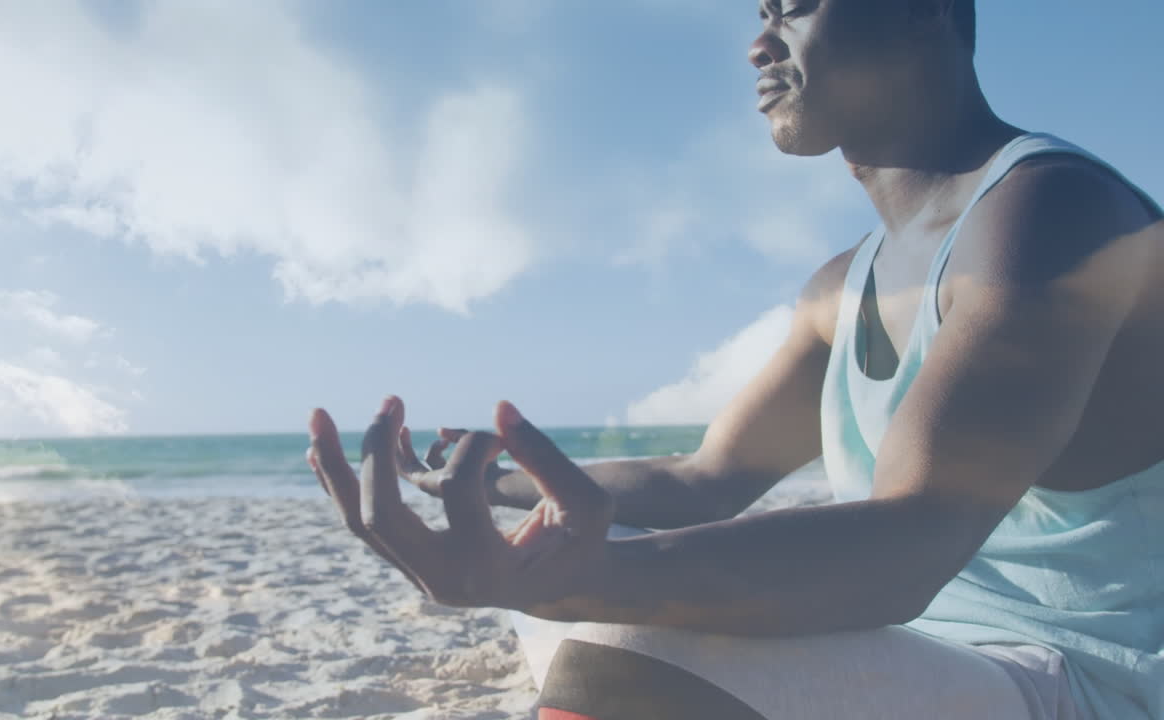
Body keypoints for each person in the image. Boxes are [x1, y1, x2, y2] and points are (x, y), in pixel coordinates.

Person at [307, 0, 1164, 718]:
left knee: (615, 628)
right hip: (919, 653)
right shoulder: (840, 285)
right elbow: (702, 479)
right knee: (573, 571)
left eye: (794, 6)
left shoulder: (1052, 216)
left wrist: (586, 583)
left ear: (920, 10)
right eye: (758, 13)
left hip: (1080, 679)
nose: (760, 42)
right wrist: (484, 479)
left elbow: (910, 541)